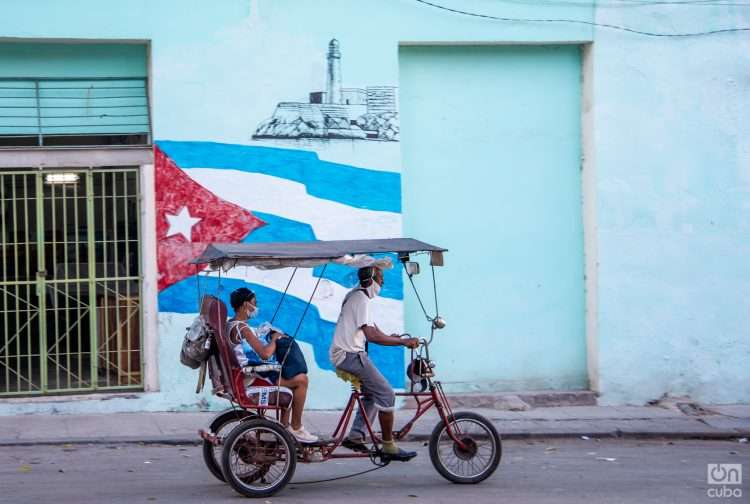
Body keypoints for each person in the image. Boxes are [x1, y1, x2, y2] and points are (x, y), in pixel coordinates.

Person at [329, 266, 420, 460]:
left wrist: (392, 338)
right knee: (387, 394)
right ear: (371, 280)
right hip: (350, 355)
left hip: (346, 353)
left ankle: (355, 435)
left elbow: (373, 329)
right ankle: (388, 446)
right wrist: (403, 342)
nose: (383, 282)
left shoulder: (356, 295)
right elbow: (371, 335)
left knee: (372, 395)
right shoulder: (361, 299)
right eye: (380, 278)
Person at [227, 287, 318, 444]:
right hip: (252, 377)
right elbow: (265, 354)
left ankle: (283, 429)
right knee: (302, 380)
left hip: (245, 374)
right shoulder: (243, 328)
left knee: (290, 378)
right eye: (254, 303)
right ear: (244, 305)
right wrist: (274, 339)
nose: (256, 307)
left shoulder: (230, 324)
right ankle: (296, 427)